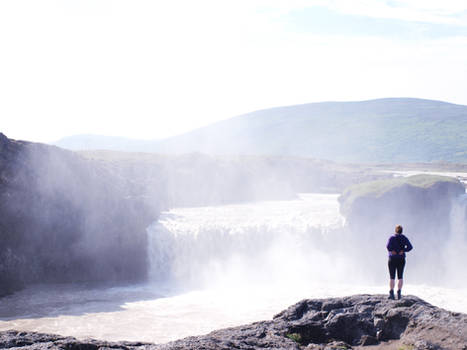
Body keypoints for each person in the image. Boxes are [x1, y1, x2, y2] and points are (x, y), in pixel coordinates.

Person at [386, 225, 413, 300]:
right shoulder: (404, 238)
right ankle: (399, 292)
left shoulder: (391, 238)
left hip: (392, 258)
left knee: (392, 277)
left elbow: (387, 246)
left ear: (395, 230)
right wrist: (403, 250)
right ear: (402, 231)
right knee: (400, 277)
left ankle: (391, 293)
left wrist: (392, 251)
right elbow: (410, 247)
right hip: (401, 259)